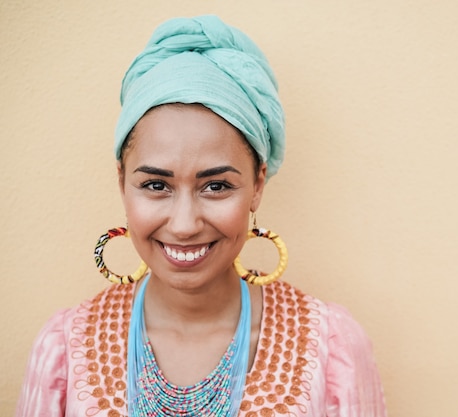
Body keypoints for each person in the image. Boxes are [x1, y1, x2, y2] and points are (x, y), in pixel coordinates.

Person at [15, 15, 386, 417]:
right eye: (157, 186)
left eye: (216, 186)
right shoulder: (65, 350)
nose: (185, 224)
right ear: (122, 182)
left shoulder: (330, 349)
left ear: (258, 185)